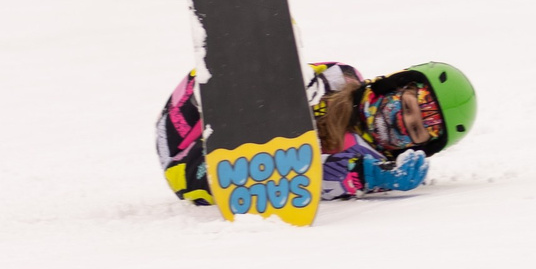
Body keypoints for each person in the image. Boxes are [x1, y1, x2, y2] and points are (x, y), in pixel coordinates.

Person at [157, 60, 478, 208]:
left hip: (199, 175)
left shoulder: (369, 164)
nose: (402, 121)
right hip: (188, 117)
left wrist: (370, 179)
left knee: (300, 166)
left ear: (419, 148)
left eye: (417, 130)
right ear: (398, 85)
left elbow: (318, 186)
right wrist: (308, 89)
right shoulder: (345, 78)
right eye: (407, 106)